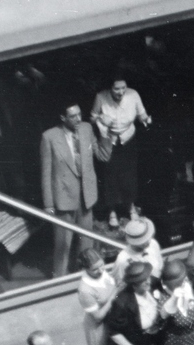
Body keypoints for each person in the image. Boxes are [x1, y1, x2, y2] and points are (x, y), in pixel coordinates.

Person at [40, 101, 100, 277]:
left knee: (86, 242)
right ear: (63, 118)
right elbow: (46, 173)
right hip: (63, 198)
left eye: (80, 114)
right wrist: (48, 204)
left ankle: (87, 276)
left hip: (86, 196)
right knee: (62, 244)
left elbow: (101, 155)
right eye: (73, 116)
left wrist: (106, 135)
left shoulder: (87, 128)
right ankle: (59, 279)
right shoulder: (49, 137)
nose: (78, 119)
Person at [91, 77, 152, 221]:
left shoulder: (133, 94)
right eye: (116, 89)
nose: (121, 92)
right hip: (109, 140)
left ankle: (130, 207)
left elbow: (141, 114)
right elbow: (92, 118)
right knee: (110, 175)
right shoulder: (101, 97)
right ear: (109, 88)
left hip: (128, 139)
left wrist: (146, 119)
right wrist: (100, 117)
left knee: (129, 175)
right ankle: (112, 211)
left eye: (123, 87)